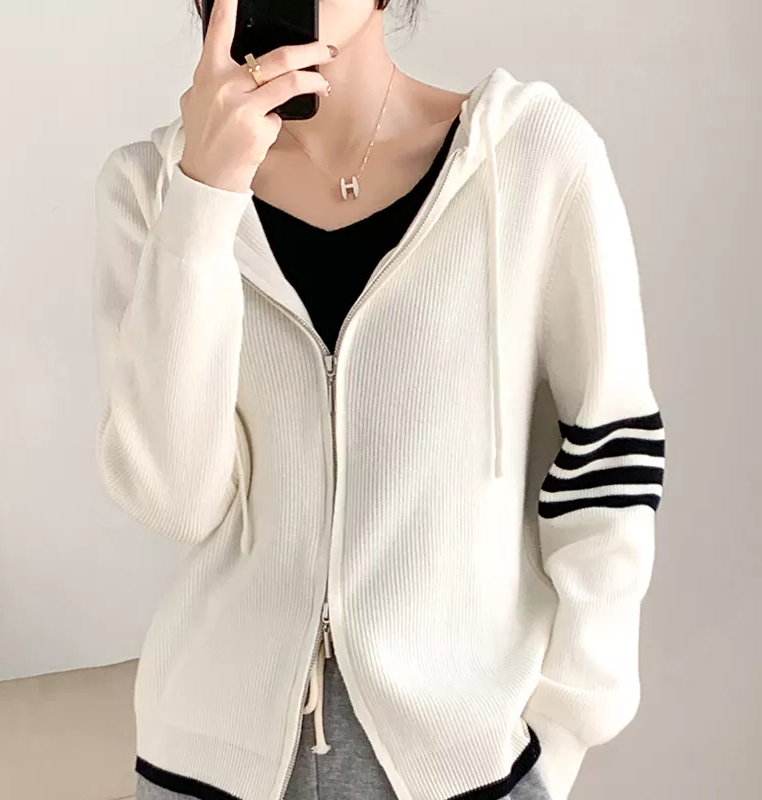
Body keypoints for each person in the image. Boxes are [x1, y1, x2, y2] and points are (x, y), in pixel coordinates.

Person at [92, 0, 666, 798]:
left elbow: (609, 455)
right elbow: (176, 501)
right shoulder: (151, 189)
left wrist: (565, 726)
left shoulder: (530, 156)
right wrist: (205, 195)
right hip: (206, 766)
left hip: (465, 766)